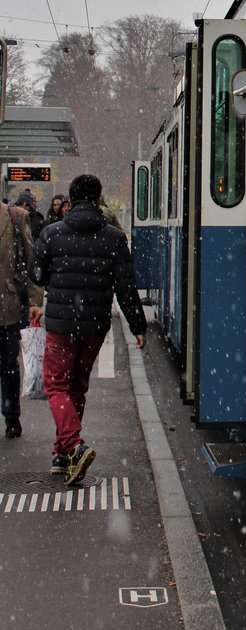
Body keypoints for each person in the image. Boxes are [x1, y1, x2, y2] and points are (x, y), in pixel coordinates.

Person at [28, 173, 147, 486]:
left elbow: (36, 274)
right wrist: (137, 325)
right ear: (97, 200)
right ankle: (62, 453)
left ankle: (74, 446)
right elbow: (126, 286)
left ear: (69, 201)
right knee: (77, 386)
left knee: (56, 386)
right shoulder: (114, 238)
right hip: (94, 326)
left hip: (60, 325)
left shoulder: (52, 234)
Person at [1, 200, 43, 437]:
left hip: (8, 305)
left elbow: (31, 262)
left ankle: (11, 415)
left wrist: (36, 300)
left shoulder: (16, 216)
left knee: (8, 365)